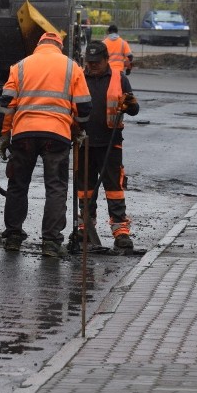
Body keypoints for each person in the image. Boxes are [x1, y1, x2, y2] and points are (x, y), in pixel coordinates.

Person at [0, 31, 91, 258]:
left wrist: (4, 135)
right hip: (56, 135)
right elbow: (84, 107)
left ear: (39, 45)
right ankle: (50, 242)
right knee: (56, 187)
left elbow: (7, 104)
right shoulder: (72, 68)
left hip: (24, 134)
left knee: (18, 184)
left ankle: (12, 237)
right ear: (59, 46)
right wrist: (77, 129)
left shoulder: (19, 67)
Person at [74, 40, 139, 252]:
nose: (92, 65)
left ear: (106, 60)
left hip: (110, 142)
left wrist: (128, 105)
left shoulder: (119, 79)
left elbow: (134, 108)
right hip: (84, 142)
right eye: (89, 61)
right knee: (85, 187)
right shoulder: (79, 78)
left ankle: (120, 231)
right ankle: (85, 225)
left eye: (96, 62)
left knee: (114, 188)